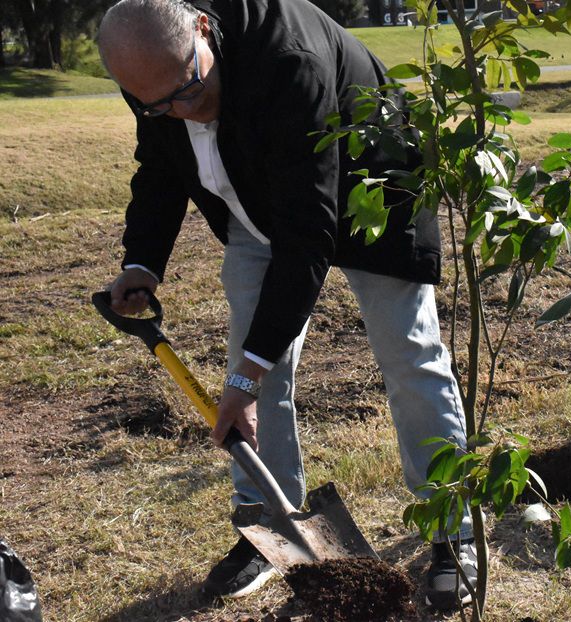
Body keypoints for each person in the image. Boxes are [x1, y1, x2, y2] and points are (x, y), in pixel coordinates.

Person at [97, 0, 476, 609]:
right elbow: (161, 163)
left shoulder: (287, 60)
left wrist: (249, 372)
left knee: (410, 359)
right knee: (252, 374)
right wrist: (142, 260)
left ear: (202, 28)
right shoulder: (156, 74)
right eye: (154, 103)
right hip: (262, 202)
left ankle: (452, 532)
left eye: (187, 91)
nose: (177, 111)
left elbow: (308, 235)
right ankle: (267, 530)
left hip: (371, 197)